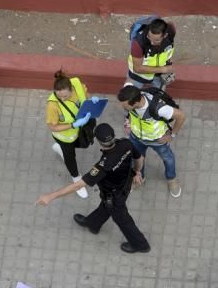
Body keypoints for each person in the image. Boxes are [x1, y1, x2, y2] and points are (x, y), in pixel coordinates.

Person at [37, 123, 150, 254]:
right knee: (106, 207)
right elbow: (139, 158)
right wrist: (136, 172)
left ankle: (140, 244)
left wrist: (51, 196)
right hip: (125, 184)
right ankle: (93, 223)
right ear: (113, 135)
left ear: (99, 142)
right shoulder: (126, 144)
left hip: (114, 195)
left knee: (122, 219)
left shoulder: (102, 166)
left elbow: (78, 185)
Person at [117, 84, 186, 197]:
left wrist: (172, 135)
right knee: (136, 159)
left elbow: (181, 116)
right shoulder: (132, 97)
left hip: (157, 140)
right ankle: (140, 177)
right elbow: (130, 113)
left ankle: (171, 178)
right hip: (136, 138)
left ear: (135, 103)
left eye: (125, 106)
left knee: (168, 159)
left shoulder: (159, 108)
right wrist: (128, 123)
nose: (122, 108)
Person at [46, 70, 99, 199]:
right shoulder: (52, 105)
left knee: (84, 144)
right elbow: (52, 126)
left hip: (80, 130)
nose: (62, 99)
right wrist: (73, 125)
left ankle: (61, 149)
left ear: (71, 88)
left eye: (65, 96)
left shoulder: (76, 83)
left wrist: (92, 100)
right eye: (59, 96)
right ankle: (76, 180)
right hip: (65, 137)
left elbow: (85, 95)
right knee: (70, 157)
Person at [128, 17, 176, 88]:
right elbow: (137, 68)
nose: (151, 42)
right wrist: (164, 69)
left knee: (156, 96)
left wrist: (168, 64)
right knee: (133, 97)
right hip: (137, 78)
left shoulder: (171, 31)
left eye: (156, 40)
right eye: (149, 37)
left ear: (165, 35)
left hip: (158, 77)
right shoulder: (137, 43)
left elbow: (168, 51)